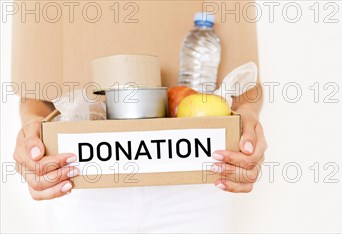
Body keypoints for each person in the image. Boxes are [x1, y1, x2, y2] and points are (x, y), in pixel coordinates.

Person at [11, 1, 266, 232]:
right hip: (84, 178)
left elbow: (246, 85)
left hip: (195, 173)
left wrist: (246, 123)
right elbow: (36, 90)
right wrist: (34, 129)